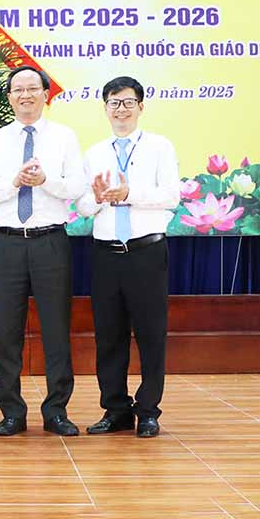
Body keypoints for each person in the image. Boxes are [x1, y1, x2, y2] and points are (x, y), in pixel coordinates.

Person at [0, 66, 86, 437]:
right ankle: (11, 412)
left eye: (32, 88)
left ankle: (56, 412)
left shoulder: (64, 137)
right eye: (18, 89)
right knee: (7, 331)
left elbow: (76, 187)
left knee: (56, 328)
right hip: (7, 242)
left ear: (45, 94)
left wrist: (45, 181)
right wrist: (14, 183)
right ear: (9, 97)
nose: (26, 95)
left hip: (51, 241)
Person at [76, 76, 180, 438]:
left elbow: (171, 196)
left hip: (146, 251)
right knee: (109, 336)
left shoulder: (159, 147)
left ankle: (148, 410)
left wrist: (128, 193)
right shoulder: (95, 153)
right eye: (114, 103)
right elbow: (83, 207)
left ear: (140, 106)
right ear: (105, 108)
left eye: (128, 102)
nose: (121, 109)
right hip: (106, 253)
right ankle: (116, 409)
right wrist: (98, 198)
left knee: (151, 334)